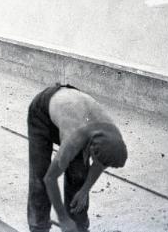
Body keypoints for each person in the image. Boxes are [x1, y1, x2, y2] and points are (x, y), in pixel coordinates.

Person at [27, 83, 128, 232]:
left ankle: (79, 227)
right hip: (42, 112)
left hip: (73, 112)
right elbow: (50, 179)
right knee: (40, 175)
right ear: (91, 148)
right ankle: (38, 226)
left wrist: (85, 190)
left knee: (79, 177)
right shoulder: (74, 138)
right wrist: (63, 219)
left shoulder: (112, 137)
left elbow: (101, 161)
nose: (99, 164)